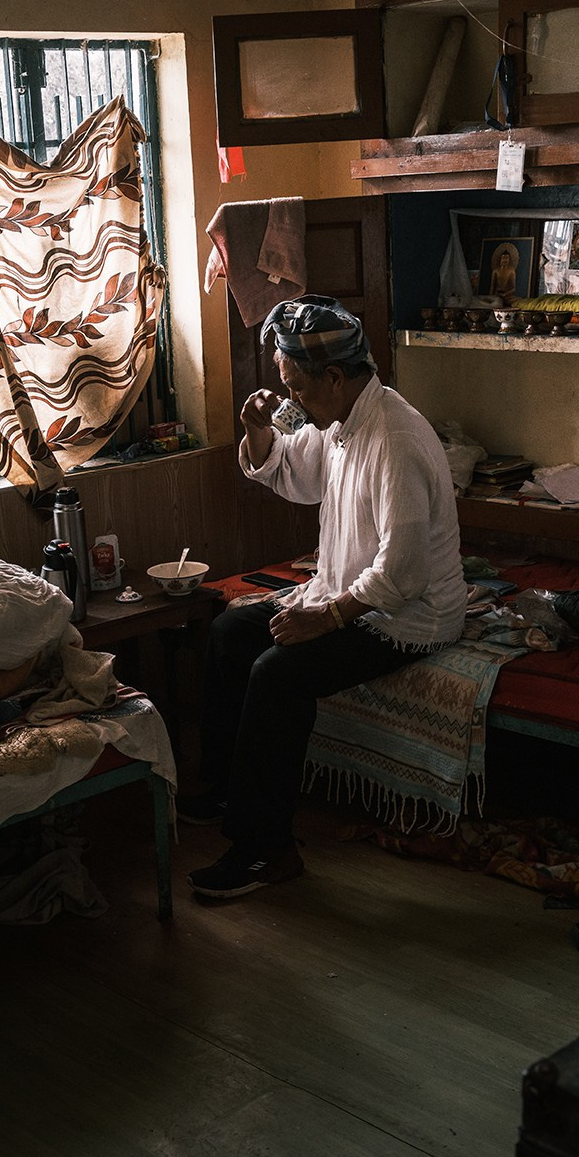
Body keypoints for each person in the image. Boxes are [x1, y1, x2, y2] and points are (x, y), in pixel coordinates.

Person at [183, 296, 467, 900]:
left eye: (298, 390)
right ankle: (228, 786)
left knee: (278, 674)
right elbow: (297, 476)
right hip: (345, 591)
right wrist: (259, 432)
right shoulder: (341, 420)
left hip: (408, 615)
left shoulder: (393, 437)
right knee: (231, 633)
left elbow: (404, 574)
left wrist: (329, 617)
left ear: (335, 376)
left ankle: (265, 852)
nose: (294, 404)